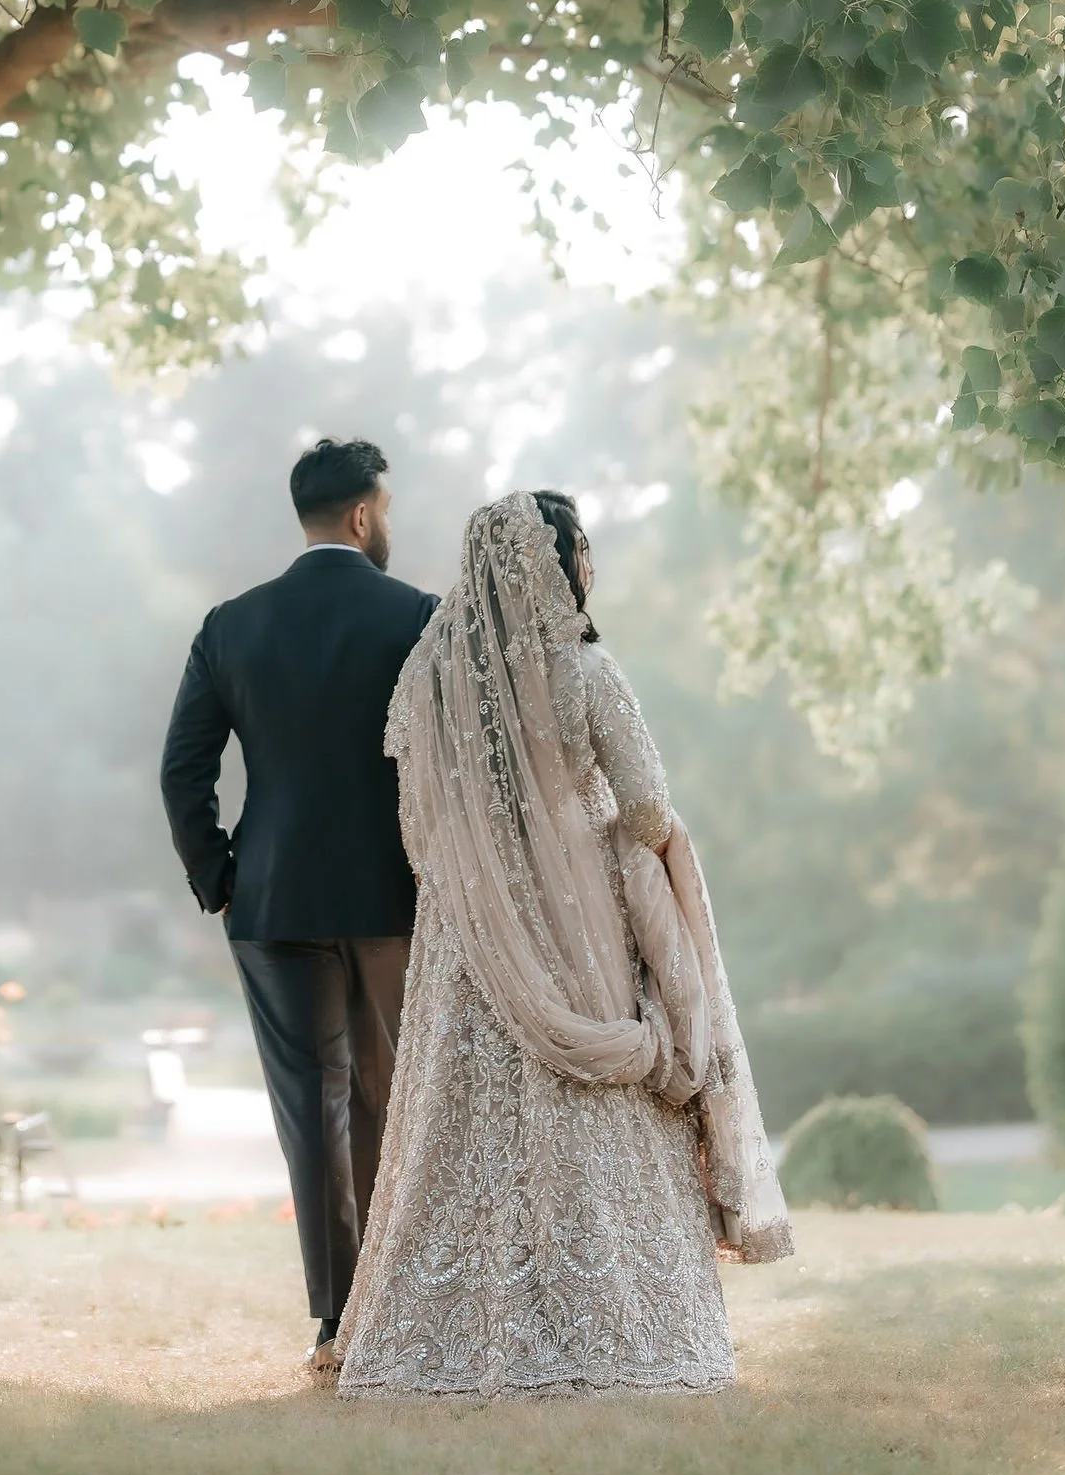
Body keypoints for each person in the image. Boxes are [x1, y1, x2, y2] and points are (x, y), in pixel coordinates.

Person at [334, 488, 791, 1401]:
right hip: (578, 928)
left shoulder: (427, 683)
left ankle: (446, 1329)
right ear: (552, 564)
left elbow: (421, 827)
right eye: (580, 548)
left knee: (465, 1123)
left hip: (472, 943)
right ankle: (615, 1323)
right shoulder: (583, 670)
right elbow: (648, 808)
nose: (588, 565)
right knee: (587, 1107)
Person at [160, 436, 438, 1374]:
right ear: (362, 514)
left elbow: (183, 771)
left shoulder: (231, 625)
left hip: (272, 899)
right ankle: (401, 1310)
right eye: (386, 510)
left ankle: (336, 1321)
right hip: (394, 897)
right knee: (388, 1098)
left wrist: (219, 875)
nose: (387, 524)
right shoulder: (419, 617)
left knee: (310, 1116)